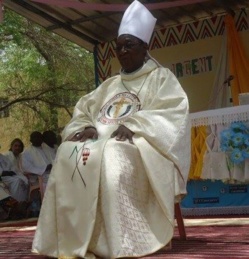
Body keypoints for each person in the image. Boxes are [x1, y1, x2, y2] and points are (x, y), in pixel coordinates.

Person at [32, 1, 190, 258]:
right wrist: (86, 126)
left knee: (113, 155)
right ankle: (75, 237)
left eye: (130, 45)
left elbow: (172, 114)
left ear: (145, 47)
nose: (123, 51)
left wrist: (135, 126)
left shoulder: (161, 78)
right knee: (67, 153)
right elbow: (83, 109)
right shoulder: (109, 85)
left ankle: (119, 238)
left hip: (139, 145)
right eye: (119, 47)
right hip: (100, 143)